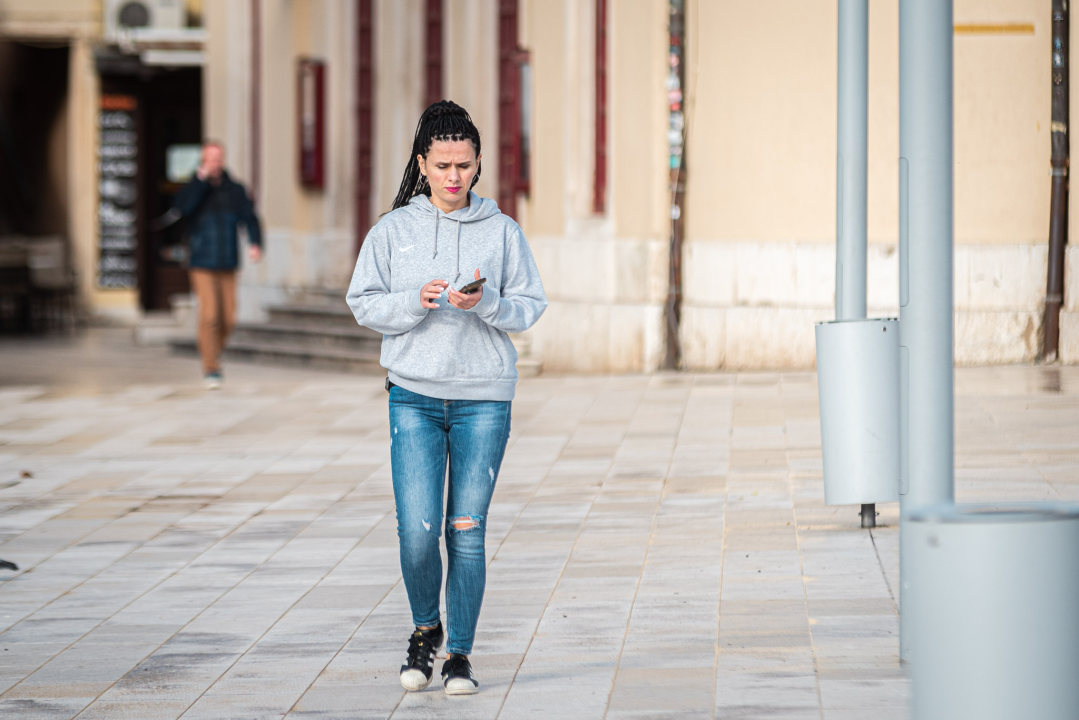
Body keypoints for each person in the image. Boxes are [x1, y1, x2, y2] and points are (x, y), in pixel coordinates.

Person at [346, 101, 547, 695]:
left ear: (479, 163)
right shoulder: (392, 231)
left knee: (466, 528)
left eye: (464, 164)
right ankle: (424, 628)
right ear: (422, 164)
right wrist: (414, 299)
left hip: (485, 398)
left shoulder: (504, 230)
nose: (455, 176)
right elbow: (363, 303)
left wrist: (484, 304)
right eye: (443, 165)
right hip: (413, 396)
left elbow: (530, 306)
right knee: (417, 530)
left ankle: (459, 654)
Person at [173, 141, 262, 389]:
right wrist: (200, 182)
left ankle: (213, 351)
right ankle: (210, 367)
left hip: (228, 261)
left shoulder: (234, 188)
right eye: (211, 159)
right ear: (203, 161)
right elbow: (182, 209)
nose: (216, 163)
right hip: (201, 260)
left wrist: (255, 242)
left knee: (229, 318)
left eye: (218, 158)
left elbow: (250, 217)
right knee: (210, 315)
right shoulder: (194, 187)